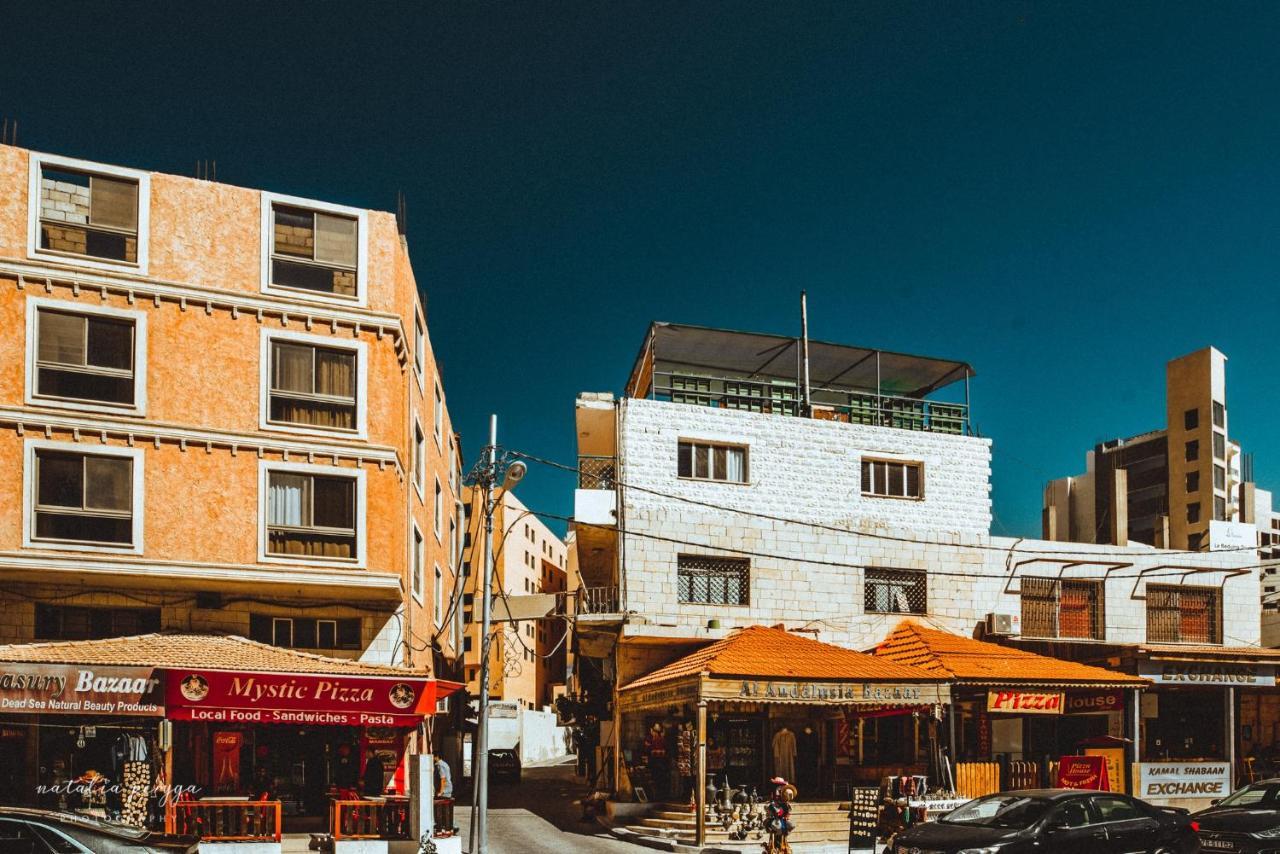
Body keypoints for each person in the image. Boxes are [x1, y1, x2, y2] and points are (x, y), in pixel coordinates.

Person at [434, 756, 454, 836]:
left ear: (436, 757)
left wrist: (441, 791)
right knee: (446, 810)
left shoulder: (439, 765)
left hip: (444, 791)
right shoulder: (445, 764)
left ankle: (440, 829)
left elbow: (443, 778)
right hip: (448, 789)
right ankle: (448, 829)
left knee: (440, 810)